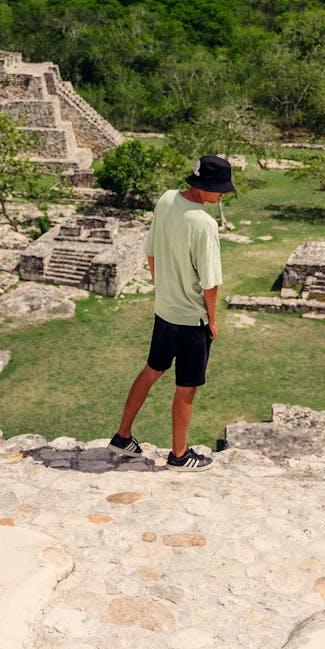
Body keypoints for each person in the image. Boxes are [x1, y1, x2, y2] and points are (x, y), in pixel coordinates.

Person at [109, 154, 234, 471]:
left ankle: (123, 436)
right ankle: (179, 455)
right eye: (219, 189)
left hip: (165, 312)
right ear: (204, 186)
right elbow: (210, 283)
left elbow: (150, 252)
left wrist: (162, 288)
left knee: (151, 370)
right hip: (192, 320)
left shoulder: (165, 201)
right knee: (186, 387)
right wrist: (214, 321)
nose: (222, 194)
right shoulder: (204, 224)